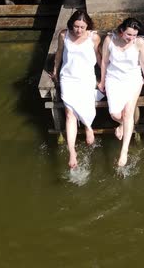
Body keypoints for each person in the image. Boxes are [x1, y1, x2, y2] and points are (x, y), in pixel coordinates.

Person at [51, 10, 102, 169]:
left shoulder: (94, 37)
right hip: (68, 76)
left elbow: (99, 57)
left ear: (88, 26)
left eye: (82, 27)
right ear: (71, 24)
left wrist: (104, 77)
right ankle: (72, 151)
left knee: (86, 104)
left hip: (86, 77)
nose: (78, 30)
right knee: (69, 112)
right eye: (76, 26)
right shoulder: (64, 35)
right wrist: (55, 70)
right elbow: (59, 53)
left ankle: (88, 127)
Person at [98, 18, 144, 166]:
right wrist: (102, 81)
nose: (131, 38)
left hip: (132, 79)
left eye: (134, 35)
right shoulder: (110, 39)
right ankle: (123, 124)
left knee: (128, 113)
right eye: (129, 35)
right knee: (115, 114)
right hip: (114, 78)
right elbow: (104, 62)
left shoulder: (139, 42)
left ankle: (124, 152)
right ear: (122, 31)